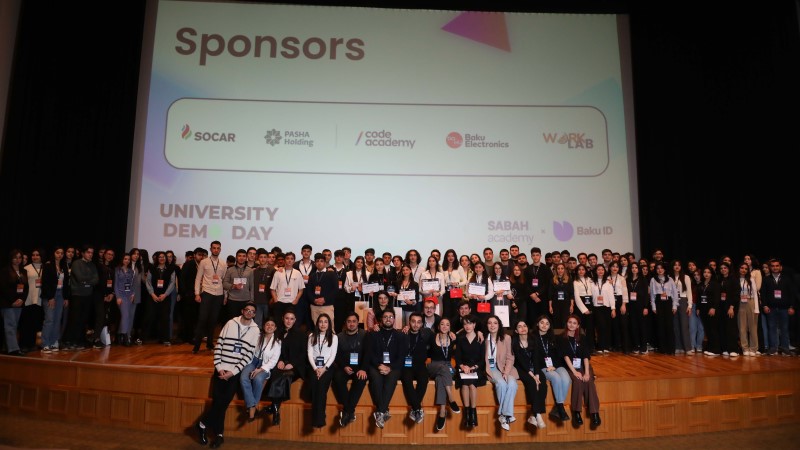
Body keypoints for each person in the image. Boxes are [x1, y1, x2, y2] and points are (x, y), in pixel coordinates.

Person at [195, 302, 261, 448]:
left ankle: (202, 424)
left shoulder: (255, 330)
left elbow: (249, 355)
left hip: (234, 372)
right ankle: (219, 435)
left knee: (223, 402)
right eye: (247, 310)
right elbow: (219, 344)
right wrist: (219, 367)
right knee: (218, 402)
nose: (249, 313)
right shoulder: (231, 323)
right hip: (221, 369)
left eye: (252, 311)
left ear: (255, 314)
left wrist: (233, 371)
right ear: (242, 311)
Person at [263, 308, 308, 425]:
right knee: (276, 373)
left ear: (295, 320)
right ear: (283, 319)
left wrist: (292, 364)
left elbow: (303, 353)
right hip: (280, 363)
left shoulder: (301, 334)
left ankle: (274, 406)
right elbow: (274, 350)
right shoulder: (277, 332)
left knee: (285, 376)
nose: (289, 321)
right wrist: (280, 360)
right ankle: (276, 410)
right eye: (287, 318)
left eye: (291, 319)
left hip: (296, 366)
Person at [364, 309, 407, 429]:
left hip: (393, 366)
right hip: (376, 365)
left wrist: (390, 368)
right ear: (380, 320)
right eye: (385, 317)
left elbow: (401, 356)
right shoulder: (373, 334)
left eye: (391, 317)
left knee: (391, 379)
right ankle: (383, 411)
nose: (388, 319)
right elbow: (370, 353)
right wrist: (379, 365)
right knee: (376, 379)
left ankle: (380, 411)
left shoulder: (400, 335)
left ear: (394, 319)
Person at [558, 314, 601, 428]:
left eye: (574, 323)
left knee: (589, 380)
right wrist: (574, 372)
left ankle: (595, 413)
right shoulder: (561, 338)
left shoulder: (582, 338)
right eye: (569, 322)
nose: (571, 325)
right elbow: (566, 357)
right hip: (569, 367)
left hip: (583, 365)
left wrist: (586, 372)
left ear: (578, 326)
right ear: (566, 324)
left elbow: (586, 356)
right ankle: (576, 412)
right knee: (577, 381)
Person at [240, 317, 281, 422]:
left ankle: (252, 409)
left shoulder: (277, 342)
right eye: (267, 324)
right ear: (263, 326)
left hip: (264, 364)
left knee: (257, 379)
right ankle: (252, 405)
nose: (269, 327)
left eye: (272, 325)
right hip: (253, 361)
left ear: (275, 328)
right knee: (243, 378)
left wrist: (261, 369)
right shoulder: (257, 336)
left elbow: (273, 361)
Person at [332, 311, 368, 427]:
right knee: (337, 378)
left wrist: (363, 369)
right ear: (345, 323)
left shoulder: (365, 335)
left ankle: (347, 411)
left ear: (358, 323)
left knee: (361, 379)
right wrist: (344, 366)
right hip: (345, 367)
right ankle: (350, 411)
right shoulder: (339, 337)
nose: (351, 324)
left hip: (360, 367)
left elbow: (368, 354)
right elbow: (336, 355)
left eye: (354, 321)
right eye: (349, 321)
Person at [534, 315, 571, 422]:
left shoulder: (554, 338)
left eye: (547, 323)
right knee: (556, 377)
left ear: (550, 326)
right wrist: (547, 367)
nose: (544, 325)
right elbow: (534, 358)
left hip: (555, 365)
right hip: (542, 367)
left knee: (567, 379)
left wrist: (554, 366)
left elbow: (559, 355)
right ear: (537, 324)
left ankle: (557, 407)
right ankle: (560, 408)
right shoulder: (532, 338)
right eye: (542, 323)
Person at [511, 319, 547, 429]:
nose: (523, 328)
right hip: (522, 369)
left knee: (542, 383)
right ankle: (538, 414)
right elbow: (521, 362)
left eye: (525, 326)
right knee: (532, 383)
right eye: (519, 326)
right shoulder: (514, 342)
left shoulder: (533, 339)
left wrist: (537, 374)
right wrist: (532, 375)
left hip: (534, 367)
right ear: (516, 331)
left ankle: (533, 414)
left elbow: (536, 358)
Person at [484, 314, 518, 431]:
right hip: (491, 368)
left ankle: (504, 415)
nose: (492, 325)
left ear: (499, 325)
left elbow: (510, 357)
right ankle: (507, 414)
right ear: (486, 325)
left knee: (512, 384)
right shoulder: (484, 338)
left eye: (495, 323)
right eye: (489, 323)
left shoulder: (506, 338)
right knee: (502, 384)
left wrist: (506, 372)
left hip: (505, 368)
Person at [193, 241, 227, 354]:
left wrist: (225, 296)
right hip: (207, 293)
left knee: (213, 320)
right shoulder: (204, 262)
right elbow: (198, 278)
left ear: (220, 249)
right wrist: (197, 293)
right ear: (210, 249)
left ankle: (210, 344)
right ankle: (196, 346)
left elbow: (224, 280)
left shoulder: (223, 263)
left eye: (218, 248)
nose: (216, 250)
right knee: (202, 319)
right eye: (214, 248)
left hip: (219, 294)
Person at [427, 317, 460, 431]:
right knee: (443, 368)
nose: (445, 326)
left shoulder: (453, 338)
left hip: (447, 367)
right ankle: (451, 398)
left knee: (440, 379)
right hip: (434, 366)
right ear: (438, 326)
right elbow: (421, 331)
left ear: (450, 328)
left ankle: (442, 412)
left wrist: (479, 332)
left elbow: (467, 334)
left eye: (447, 324)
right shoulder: (432, 337)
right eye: (442, 324)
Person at [454, 314, 486, 428]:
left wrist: (474, 367)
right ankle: (467, 414)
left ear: (474, 325)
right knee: (464, 385)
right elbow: (457, 357)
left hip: (476, 368)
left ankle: (473, 413)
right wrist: (462, 366)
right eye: (465, 324)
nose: (467, 326)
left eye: (470, 323)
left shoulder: (480, 338)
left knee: (472, 385)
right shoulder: (460, 339)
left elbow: (482, 359)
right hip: (463, 367)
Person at [307, 313, 338, 428]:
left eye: (325, 322)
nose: (323, 324)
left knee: (321, 387)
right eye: (320, 322)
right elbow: (310, 354)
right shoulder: (312, 336)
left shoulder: (334, 337)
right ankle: (317, 417)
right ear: (317, 324)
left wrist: (324, 369)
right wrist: (316, 369)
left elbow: (333, 355)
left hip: (327, 367)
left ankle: (319, 419)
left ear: (329, 324)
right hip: (314, 366)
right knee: (314, 385)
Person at [401, 312, 432, 424]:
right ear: (409, 322)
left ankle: (415, 409)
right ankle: (418, 409)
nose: (416, 324)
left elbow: (441, 335)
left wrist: (451, 333)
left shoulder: (426, 334)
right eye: (413, 321)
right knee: (406, 380)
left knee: (424, 380)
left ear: (422, 324)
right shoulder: (403, 334)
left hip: (420, 365)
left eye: (419, 322)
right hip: (406, 365)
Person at [761, 258, 797, 356]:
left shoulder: (787, 279)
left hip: (785, 308)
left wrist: (792, 307)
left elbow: (792, 294)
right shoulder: (766, 279)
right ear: (770, 267)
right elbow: (763, 294)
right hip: (771, 308)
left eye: (777, 266)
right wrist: (764, 305)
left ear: (780, 267)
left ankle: (785, 348)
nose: (775, 268)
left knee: (784, 328)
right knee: (772, 328)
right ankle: (773, 348)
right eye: (773, 266)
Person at [65, 245, 98, 350]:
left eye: (92, 253)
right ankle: (69, 341)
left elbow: (96, 279)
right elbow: (79, 278)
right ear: (83, 253)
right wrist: (89, 280)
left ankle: (79, 341)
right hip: (77, 295)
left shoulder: (92, 265)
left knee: (83, 319)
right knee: (75, 318)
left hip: (88, 295)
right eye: (88, 252)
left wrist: (86, 281)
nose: (90, 254)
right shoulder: (76, 263)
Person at [40, 246, 70, 353]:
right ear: (53, 253)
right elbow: (45, 283)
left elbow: (66, 283)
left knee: (57, 319)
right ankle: (45, 343)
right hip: (50, 295)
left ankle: (54, 342)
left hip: (61, 294)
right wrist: (50, 297)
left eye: (62, 253)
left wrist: (66, 297)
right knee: (49, 319)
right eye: (58, 252)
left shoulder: (64, 265)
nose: (60, 255)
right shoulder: (48, 265)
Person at [145, 251, 176, 345]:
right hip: (153, 296)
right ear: (157, 259)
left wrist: (165, 294)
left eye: (163, 257)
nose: (162, 258)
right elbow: (148, 282)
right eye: (160, 257)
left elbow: (172, 283)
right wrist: (152, 294)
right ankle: (143, 337)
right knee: (149, 316)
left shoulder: (171, 269)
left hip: (165, 296)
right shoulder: (152, 268)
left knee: (165, 317)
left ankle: (165, 339)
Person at [1, 250, 28, 355]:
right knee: (10, 325)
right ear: (11, 258)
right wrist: (12, 301)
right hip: (8, 303)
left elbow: (26, 288)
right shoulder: (5, 271)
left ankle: (6, 347)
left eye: (20, 257)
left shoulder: (23, 271)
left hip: (19, 302)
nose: (18, 260)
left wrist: (22, 299)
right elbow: (3, 288)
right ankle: (13, 349)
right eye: (15, 257)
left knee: (14, 325)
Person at [269, 252, 305, 330]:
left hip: (292, 303)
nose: (289, 260)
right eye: (287, 258)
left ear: (294, 261)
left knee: (291, 325)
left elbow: (301, 289)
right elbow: (272, 289)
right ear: (285, 260)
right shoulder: (278, 272)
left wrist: (296, 300)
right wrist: (276, 300)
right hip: (279, 303)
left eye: (291, 259)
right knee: (278, 325)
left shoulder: (297, 273)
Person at [649, 262, 679, 354]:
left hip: (668, 302)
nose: (660, 270)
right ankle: (662, 348)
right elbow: (652, 295)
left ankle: (671, 348)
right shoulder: (653, 280)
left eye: (661, 268)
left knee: (669, 326)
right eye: (658, 268)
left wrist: (674, 306)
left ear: (664, 269)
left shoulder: (670, 279)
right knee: (660, 326)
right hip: (658, 303)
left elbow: (674, 293)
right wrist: (653, 306)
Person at [222, 249, 254, 324]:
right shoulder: (230, 270)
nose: (241, 258)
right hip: (232, 300)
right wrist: (233, 286)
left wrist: (251, 300)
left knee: (245, 322)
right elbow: (224, 284)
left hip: (246, 300)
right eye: (239, 256)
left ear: (246, 258)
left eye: (243, 256)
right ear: (236, 257)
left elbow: (252, 286)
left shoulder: (250, 270)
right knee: (232, 322)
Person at [305, 253, 338, 325]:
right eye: (317, 261)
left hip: (327, 306)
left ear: (325, 263)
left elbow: (335, 289)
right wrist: (314, 300)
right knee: (317, 327)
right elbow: (308, 291)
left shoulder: (331, 274)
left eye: (321, 261)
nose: (319, 263)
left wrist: (324, 299)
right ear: (315, 263)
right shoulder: (312, 275)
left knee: (329, 327)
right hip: (314, 306)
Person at [717, 262, 741, 356]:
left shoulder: (734, 279)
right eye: (721, 268)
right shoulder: (719, 279)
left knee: (731, 328)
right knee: (723, 328)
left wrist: (731, 307)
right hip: (721, 306)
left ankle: (734, 349)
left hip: (730, 306)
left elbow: (736, 294)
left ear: (729, 269)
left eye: (725, 268)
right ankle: (725, 348)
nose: (723, 269)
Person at [669, 260, 693, 354]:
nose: (677, 266)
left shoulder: (686, 277)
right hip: (673, 301)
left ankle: (687, 348)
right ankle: (678, 347)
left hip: (683, 301)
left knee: (684, 325)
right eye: (675, 265)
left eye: (679, 265)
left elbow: (689, 292)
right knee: (675, 326)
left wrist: (689, 305)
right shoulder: (669, 277)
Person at [626, 262, 650, 354]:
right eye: (632, 267)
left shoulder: (643, 279)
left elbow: (646, 295)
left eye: (636, 267)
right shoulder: (628, 280)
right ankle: (636, 346)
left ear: (639, 269)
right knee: (633, 326)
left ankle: (644, 346)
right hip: (631, 306)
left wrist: (646, 307)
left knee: (642, 326)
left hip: (641, 306)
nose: (634, 269)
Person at [697, 267, 721, 356]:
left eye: (708, 272)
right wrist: (698, 308)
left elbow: (717, 297)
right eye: (705, 272)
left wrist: (714, 308)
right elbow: (699, 297)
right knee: (707, 329)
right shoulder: (701, 284)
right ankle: (710, 348)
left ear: (711, 274)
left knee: (713, 329)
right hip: (703, 309)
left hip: (712, 309)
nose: (706, 274)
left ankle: (716, 350)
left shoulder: (715, 284)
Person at [737, 262, 760, 356]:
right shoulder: (736, 280)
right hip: (740, 303)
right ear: (739, 269)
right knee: (742, 327)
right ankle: (745, 348)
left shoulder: (751, 279)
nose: (743, 270)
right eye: (742, 268)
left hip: (751, 302)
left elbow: (755, 294)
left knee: (753, 327)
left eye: (746, 269)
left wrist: (757, 308)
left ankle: (753, 348)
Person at [572, 264, 596, 353]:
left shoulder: (590, 280)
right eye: (579, 269)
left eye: (583, 269)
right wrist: (584, 309)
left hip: (590, 303)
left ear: (586, 271)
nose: (581, 271)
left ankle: (591, 347)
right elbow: (576, 297)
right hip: (580, 306)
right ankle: (581, 347)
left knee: (590, 327)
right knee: (581, 328)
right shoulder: (575, 282)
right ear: (577, 271)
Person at [548, 262, 574, 330]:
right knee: (556, 322)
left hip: (566, 304)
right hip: (555, 304)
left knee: (565, 322)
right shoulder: (552, 280)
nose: (560, 270)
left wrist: (572, 305)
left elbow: (571, 293)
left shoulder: (569, 279)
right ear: (556, 270)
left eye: (562, 268)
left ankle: (565, 336)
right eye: (558, 268)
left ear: (564, 270)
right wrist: (550, 306)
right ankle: (557, 336)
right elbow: (550, 294)